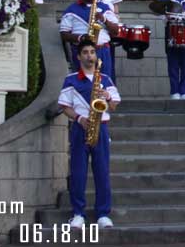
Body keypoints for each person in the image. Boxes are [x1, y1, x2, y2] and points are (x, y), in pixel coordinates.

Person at [58, 38, 120, 229]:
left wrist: (107, 96)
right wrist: (79, 119)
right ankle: (78, 213)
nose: (89, 56)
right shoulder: (71, 79)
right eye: (85, 52)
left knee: (102, 172)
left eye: (92, 52)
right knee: (78, 172)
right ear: (78, 57)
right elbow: (64, 106)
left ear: (96, 55)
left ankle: (103, 213)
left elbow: (114, 105)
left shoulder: (105, 79)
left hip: (100, 127)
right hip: (80, 128)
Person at [60, 0, 121, 83]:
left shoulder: (104, 7)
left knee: (105, 83)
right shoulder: (72, 10)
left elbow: (116, 31)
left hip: (102, 51)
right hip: (83, 51)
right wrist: (81, 38)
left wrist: (104, 20)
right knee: (84, 84)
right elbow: (64, 34)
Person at [74, 0, 123, 80]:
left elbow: (116, 4)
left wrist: (115, 19)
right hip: (90, 19)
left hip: (107, 21)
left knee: (108, 58)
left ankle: (109, 90)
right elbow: (78, 1)